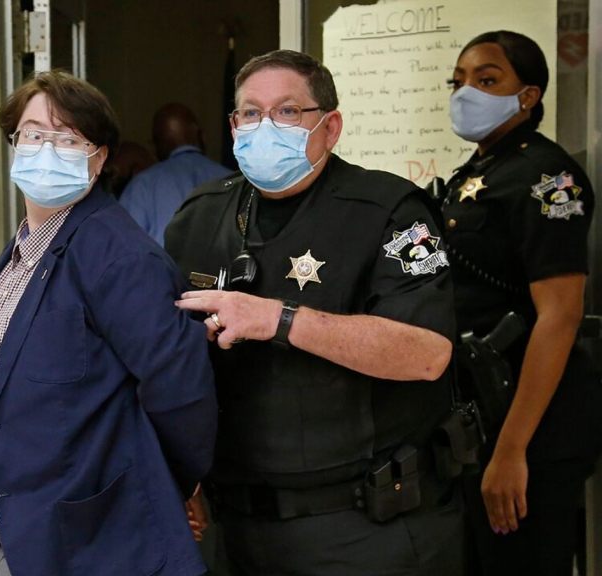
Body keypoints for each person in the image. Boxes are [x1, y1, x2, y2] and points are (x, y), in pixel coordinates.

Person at [166, 50, 462, 575]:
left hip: (362, 530)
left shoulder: (390, 212)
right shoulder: (199, 216)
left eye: (286, 111)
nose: (264, 127)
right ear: (233, 127)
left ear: (331, 126)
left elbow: (428, 353)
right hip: (233, 526)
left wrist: (278, 319)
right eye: (250, 114)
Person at [0, 70, 217, 576]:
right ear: (14, 145)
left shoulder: (117, 254)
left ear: (99, 157)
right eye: (34, 134)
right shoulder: (21, 252)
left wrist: (152, 489)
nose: (46, 149)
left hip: (89, 552)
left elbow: (182, 390)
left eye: (67, 139)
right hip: (4, 550)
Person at [442, 30, 602, 575]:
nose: (467, 92)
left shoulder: (547, 178)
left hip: (530, 425)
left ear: (528, 96)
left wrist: (512, 451)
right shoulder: (479, 171)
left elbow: (560, 316)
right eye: (458, 80)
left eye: (487, 80)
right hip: (479, 416)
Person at [119, 102, 230, 246]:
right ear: (202, 136)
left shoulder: (142, 186)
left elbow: (123, 248)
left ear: (156, 147)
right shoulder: (234, 181)